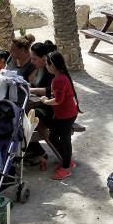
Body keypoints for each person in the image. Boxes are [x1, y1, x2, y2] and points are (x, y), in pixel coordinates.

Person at [38, 51, 80, 180]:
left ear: (53, 65)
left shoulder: (58, 79)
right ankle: (67, 161)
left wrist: (45, 101)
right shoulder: (60, 77)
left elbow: (58, 100)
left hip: (67, 115)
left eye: (47, 64)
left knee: (65, 140)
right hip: (62, 115)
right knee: (54, 138)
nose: (46, 66)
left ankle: (66, 167)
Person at [25, 40, 57, 169]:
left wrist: (32, 90)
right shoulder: (38, 69)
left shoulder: (51, 71)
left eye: (34, 59)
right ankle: (34, 150)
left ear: (44, 59)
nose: (32, 62)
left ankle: (36, 151)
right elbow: (35, 85)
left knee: (29, 114)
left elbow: (51, 91)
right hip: (41, 105)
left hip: (51, 110)